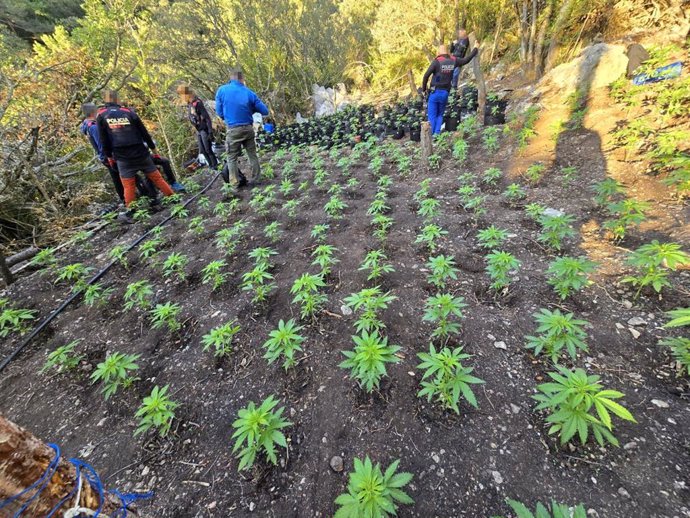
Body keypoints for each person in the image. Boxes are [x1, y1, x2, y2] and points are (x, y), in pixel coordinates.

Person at [96, 90, 175, 215]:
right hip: (141, 153)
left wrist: (110, 158)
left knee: (128, 185)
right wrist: (154, 151)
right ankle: (172, 197)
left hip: (122, 157)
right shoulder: (129, 112)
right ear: (117, 99)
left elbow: (103, 140)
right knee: (157, 178)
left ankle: (131, 211)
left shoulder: (101, 116)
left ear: (105, 100)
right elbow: (145, 133)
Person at [81, 102, 159, 204]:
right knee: (131, 178)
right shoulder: (94, 127)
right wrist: (110, 156)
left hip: (106, 157)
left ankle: (133, 200)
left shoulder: (87, 125)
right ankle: (146, 199)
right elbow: (102, 144)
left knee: (120, 179)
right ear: (92, 112)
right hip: (110, 157)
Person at [215, 68, 269, 191]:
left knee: (232, 157)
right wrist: (251, 109)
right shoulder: (249, 92)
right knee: (252, 154)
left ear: (231, 78)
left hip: (233, 129)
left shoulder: (222, 90)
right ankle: (257, 178)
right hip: (248, 128)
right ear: (242, 79)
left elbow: (219, 112)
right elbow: (265, 111)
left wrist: (227, 117)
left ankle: (235, 184)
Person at [422, 42, 478, 135]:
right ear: (447, 51)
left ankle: (430, 136)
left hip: (435, 92)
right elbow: (466, 60)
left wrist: (424, 89)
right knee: (440, 114)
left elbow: (426, 76)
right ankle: (437, 134)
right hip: (445, 93)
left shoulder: (437, 62)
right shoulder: (454, 60)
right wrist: (475, 48)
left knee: (432, 115)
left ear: (438, 52)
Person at [177, 85, 219, 170]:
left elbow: (207, 117)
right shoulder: (190, 104)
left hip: (204, 129)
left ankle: (215, 166)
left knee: (208, 149)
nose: (181, 97)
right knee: (203, 151)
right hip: (198, 130)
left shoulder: (197, 103)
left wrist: (210, 131)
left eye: (182, 95)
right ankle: (211, 166)